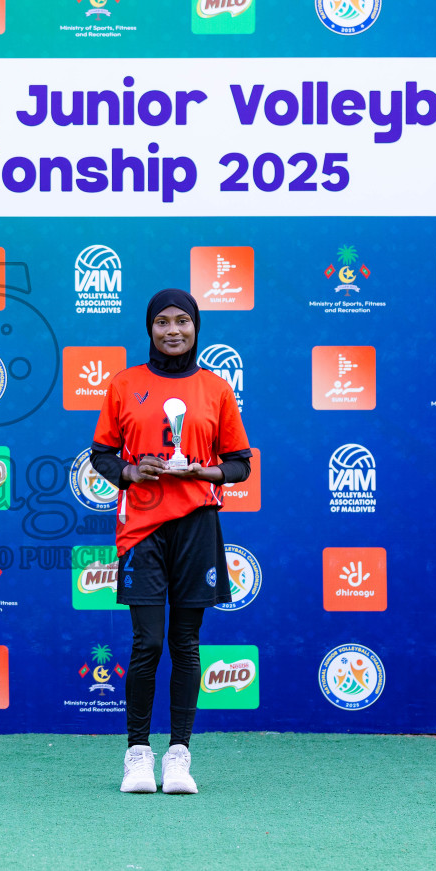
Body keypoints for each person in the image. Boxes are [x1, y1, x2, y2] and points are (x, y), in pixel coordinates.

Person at [89, 289, 251, 794]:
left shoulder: (216, 389)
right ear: (149, 328)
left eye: (183, 320)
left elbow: (241, 463)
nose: (173, 330)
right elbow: (100, 454)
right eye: (163, 322)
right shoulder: (124, 384)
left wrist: (208, 470)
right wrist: (131, 471)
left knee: (185, 642)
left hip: (197, 525)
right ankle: (138, 755)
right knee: (148, 642)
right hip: (142, 526)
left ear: (197, 327)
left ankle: (178, 756)